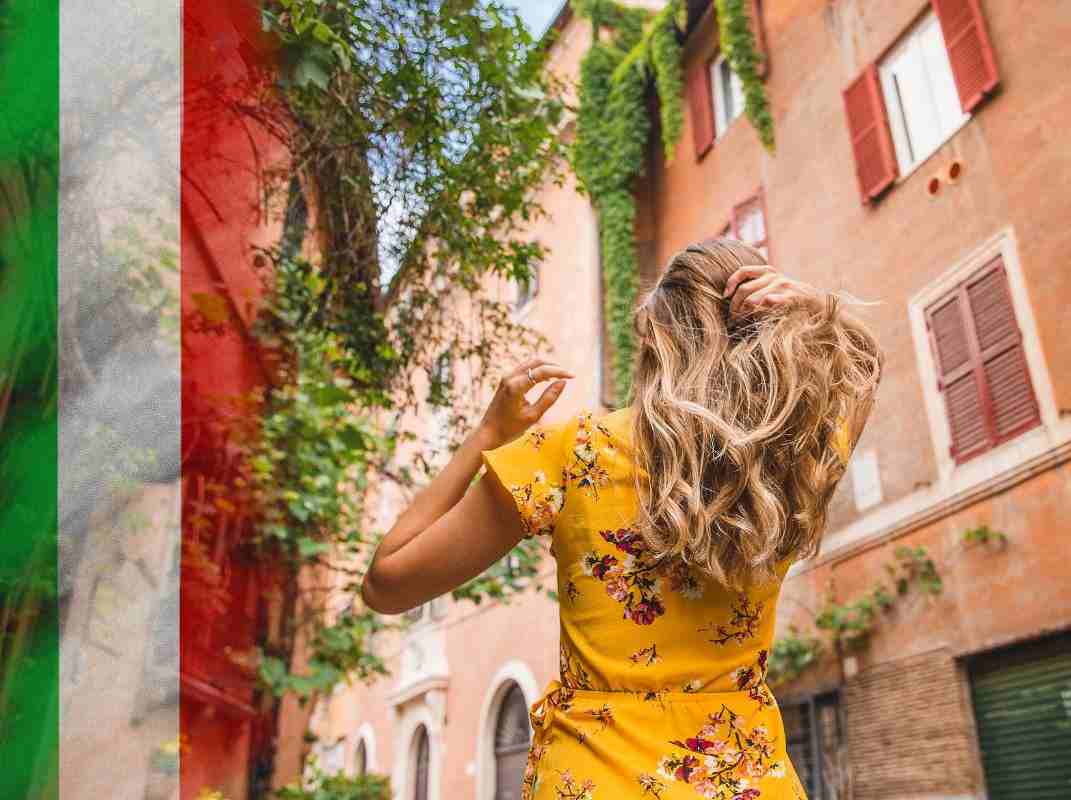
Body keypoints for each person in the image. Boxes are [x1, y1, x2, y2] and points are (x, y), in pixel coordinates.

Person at [363, 239, 884, 799]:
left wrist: (489, 434)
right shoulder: (787, 459)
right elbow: (863, 370)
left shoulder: (574, 452)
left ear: (656, 341)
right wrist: (816, 309)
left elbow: (385, 583)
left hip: (595, 779)